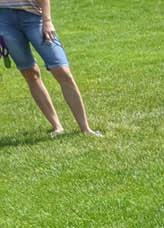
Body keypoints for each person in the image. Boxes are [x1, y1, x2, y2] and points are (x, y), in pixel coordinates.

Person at [0, 0, 99, 136]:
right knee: (30, 73)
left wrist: (47, 21)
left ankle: (85, 128)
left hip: (34, 16)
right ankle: (57, 127)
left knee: (62, 71)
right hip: (3, 20)